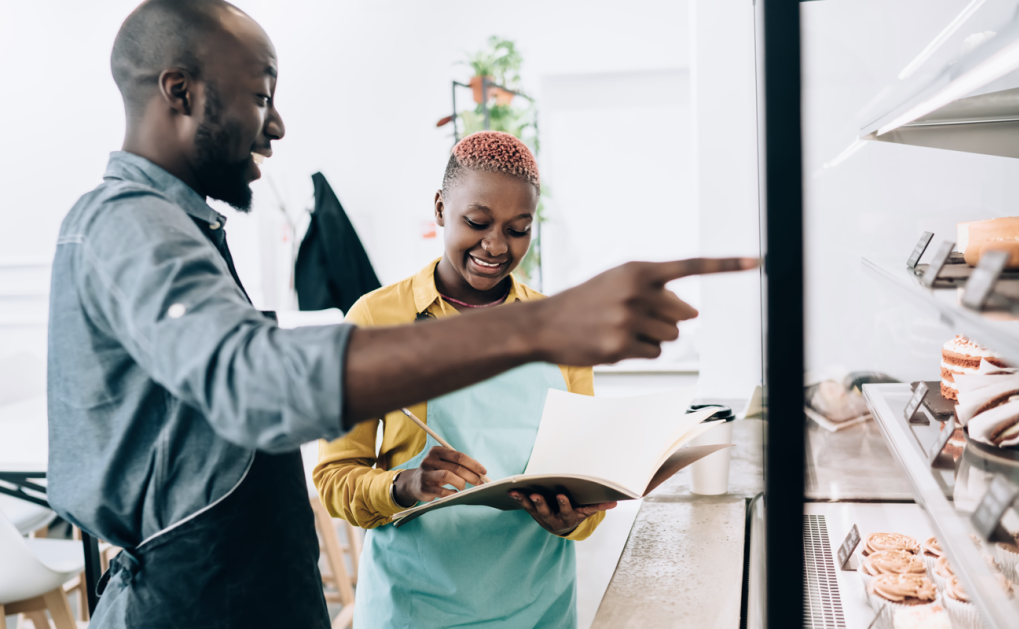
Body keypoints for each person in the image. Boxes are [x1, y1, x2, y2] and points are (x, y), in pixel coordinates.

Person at [46, 1, 757, 627]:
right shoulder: (129, 226)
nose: (279, 123)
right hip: (199, 597)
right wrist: (537, 328)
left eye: (519, 228)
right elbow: (252, 381)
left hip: (258, 590)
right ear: (180, 91)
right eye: (262, 95)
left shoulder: (187, 228)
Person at [315, 131, 615, 628]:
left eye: (518, 229)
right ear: (439, 208)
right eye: (477, 223)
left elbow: (591, 494)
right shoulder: (375, 320)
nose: (496, 246)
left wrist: (574, 518)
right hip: (416, 609)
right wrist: (406, 484)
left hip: (539, 610)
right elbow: (334, 478)